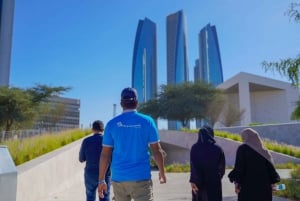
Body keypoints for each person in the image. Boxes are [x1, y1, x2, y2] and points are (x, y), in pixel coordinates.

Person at [97, 87, 166, 201]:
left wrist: (101, 180)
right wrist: (162, 172)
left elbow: (105, 154)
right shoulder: (147, 121)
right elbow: (157, 150)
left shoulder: (111, 124)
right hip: (141, 178)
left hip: (119, 179)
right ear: (137, 103)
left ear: (121, 103)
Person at [228, 128, 280, 201]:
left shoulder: (243, 149)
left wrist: (237, 183)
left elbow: (239, 168)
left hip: (248, 188)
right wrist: (273, 184)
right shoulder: (264, 151)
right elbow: (271, 170)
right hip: (264, 189)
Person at [189, 126, 226, 201]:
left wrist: (193, 181)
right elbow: (222, 167)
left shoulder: (195, 148)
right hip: (214, 182)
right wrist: (217, 177)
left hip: (199, 183)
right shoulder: (217, 149)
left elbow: (193, 166)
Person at [79, 120, 111, 201]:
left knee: (90, 197)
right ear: (103, 130)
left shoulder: (86, 141)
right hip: (105, 174)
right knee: (104, 197)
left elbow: (81, 159)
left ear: (92, 129)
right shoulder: (108, 141)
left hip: (90, 174)